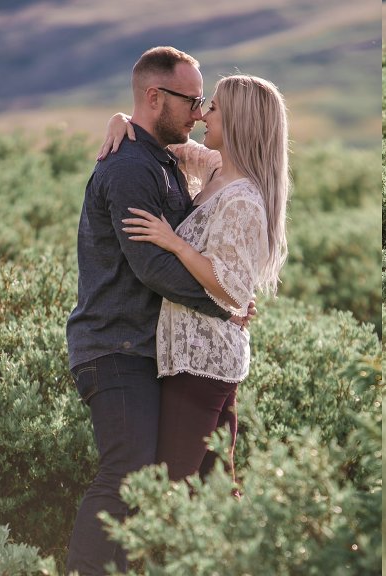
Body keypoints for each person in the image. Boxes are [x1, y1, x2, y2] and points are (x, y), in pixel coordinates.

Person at [65, 46, 249, 575]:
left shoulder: (166, 159)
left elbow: (239, 161)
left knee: (165, 478)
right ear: (154, 97)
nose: (198, 111)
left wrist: (227, 292)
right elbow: (148, 267)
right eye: (191, 100)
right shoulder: (129, 169)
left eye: (202, 102)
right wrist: (223, 303)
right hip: (115, 345)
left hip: (151, 350)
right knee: (127, 472)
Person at [112, 73, 288, 486]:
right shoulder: (215, 169)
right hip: (200, 357)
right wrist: (119, 119)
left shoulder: (242, 198)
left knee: (174, 483)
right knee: (213, 486)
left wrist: (176, 244)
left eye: (214, 109)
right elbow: (162, 137)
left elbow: (231, 290)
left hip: (204, 360)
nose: (202, 114)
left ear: (239, 121)